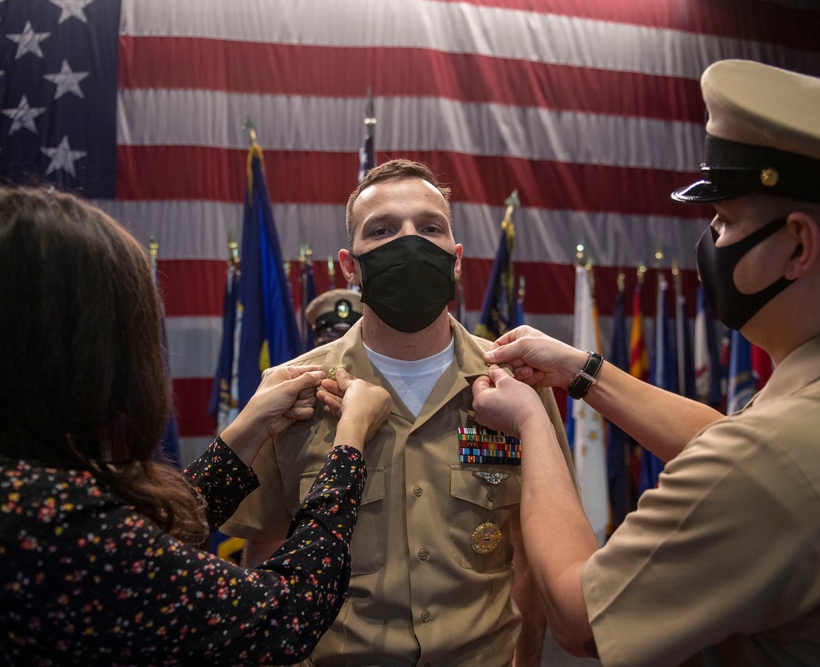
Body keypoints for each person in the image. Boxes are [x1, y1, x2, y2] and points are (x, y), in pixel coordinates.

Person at [472, 59, 820, 666]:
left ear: (798, 244)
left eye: (726, 219)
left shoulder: (766, 468)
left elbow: (579, 617)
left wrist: (533, 423)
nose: (712, 238)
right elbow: (732, 442)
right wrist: (581, 371)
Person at [0, 185, 393, 665]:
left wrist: (245, 431)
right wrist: (349, 445)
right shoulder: (42, 521)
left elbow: (153, 534)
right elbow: (283, 617)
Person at [221, 159, 574, 666]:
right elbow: (265, 551)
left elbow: (534, 555)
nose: (410, 243)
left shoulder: (519, 383)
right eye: (383, 230)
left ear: (456, 258)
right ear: (350, 266)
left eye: (429, 228)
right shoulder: (292, 392)